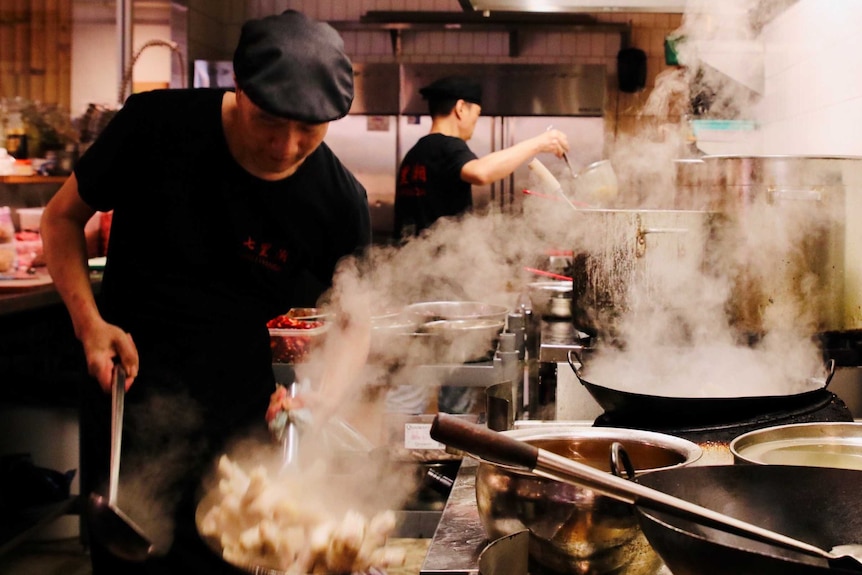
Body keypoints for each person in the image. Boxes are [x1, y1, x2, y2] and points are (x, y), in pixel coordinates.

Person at [41, 10, 370, 574]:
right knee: (126, 561)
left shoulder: (338, 198)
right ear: (237, 88)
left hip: (243, 422)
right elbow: (61, 220)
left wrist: (324, 395)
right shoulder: (155, 126)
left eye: (310, 131)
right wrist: (90, 327)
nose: (287, 146)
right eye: (271, 120)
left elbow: (355, 320)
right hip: (130, 397)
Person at [392, 75, 570, 241]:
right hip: (441, 268)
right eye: (476, 115)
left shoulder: (415, 153)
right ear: (460, 108)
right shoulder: (448, 146)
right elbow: (480, 172)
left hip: (414, 265)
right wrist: (539, 143)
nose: (474, 124)